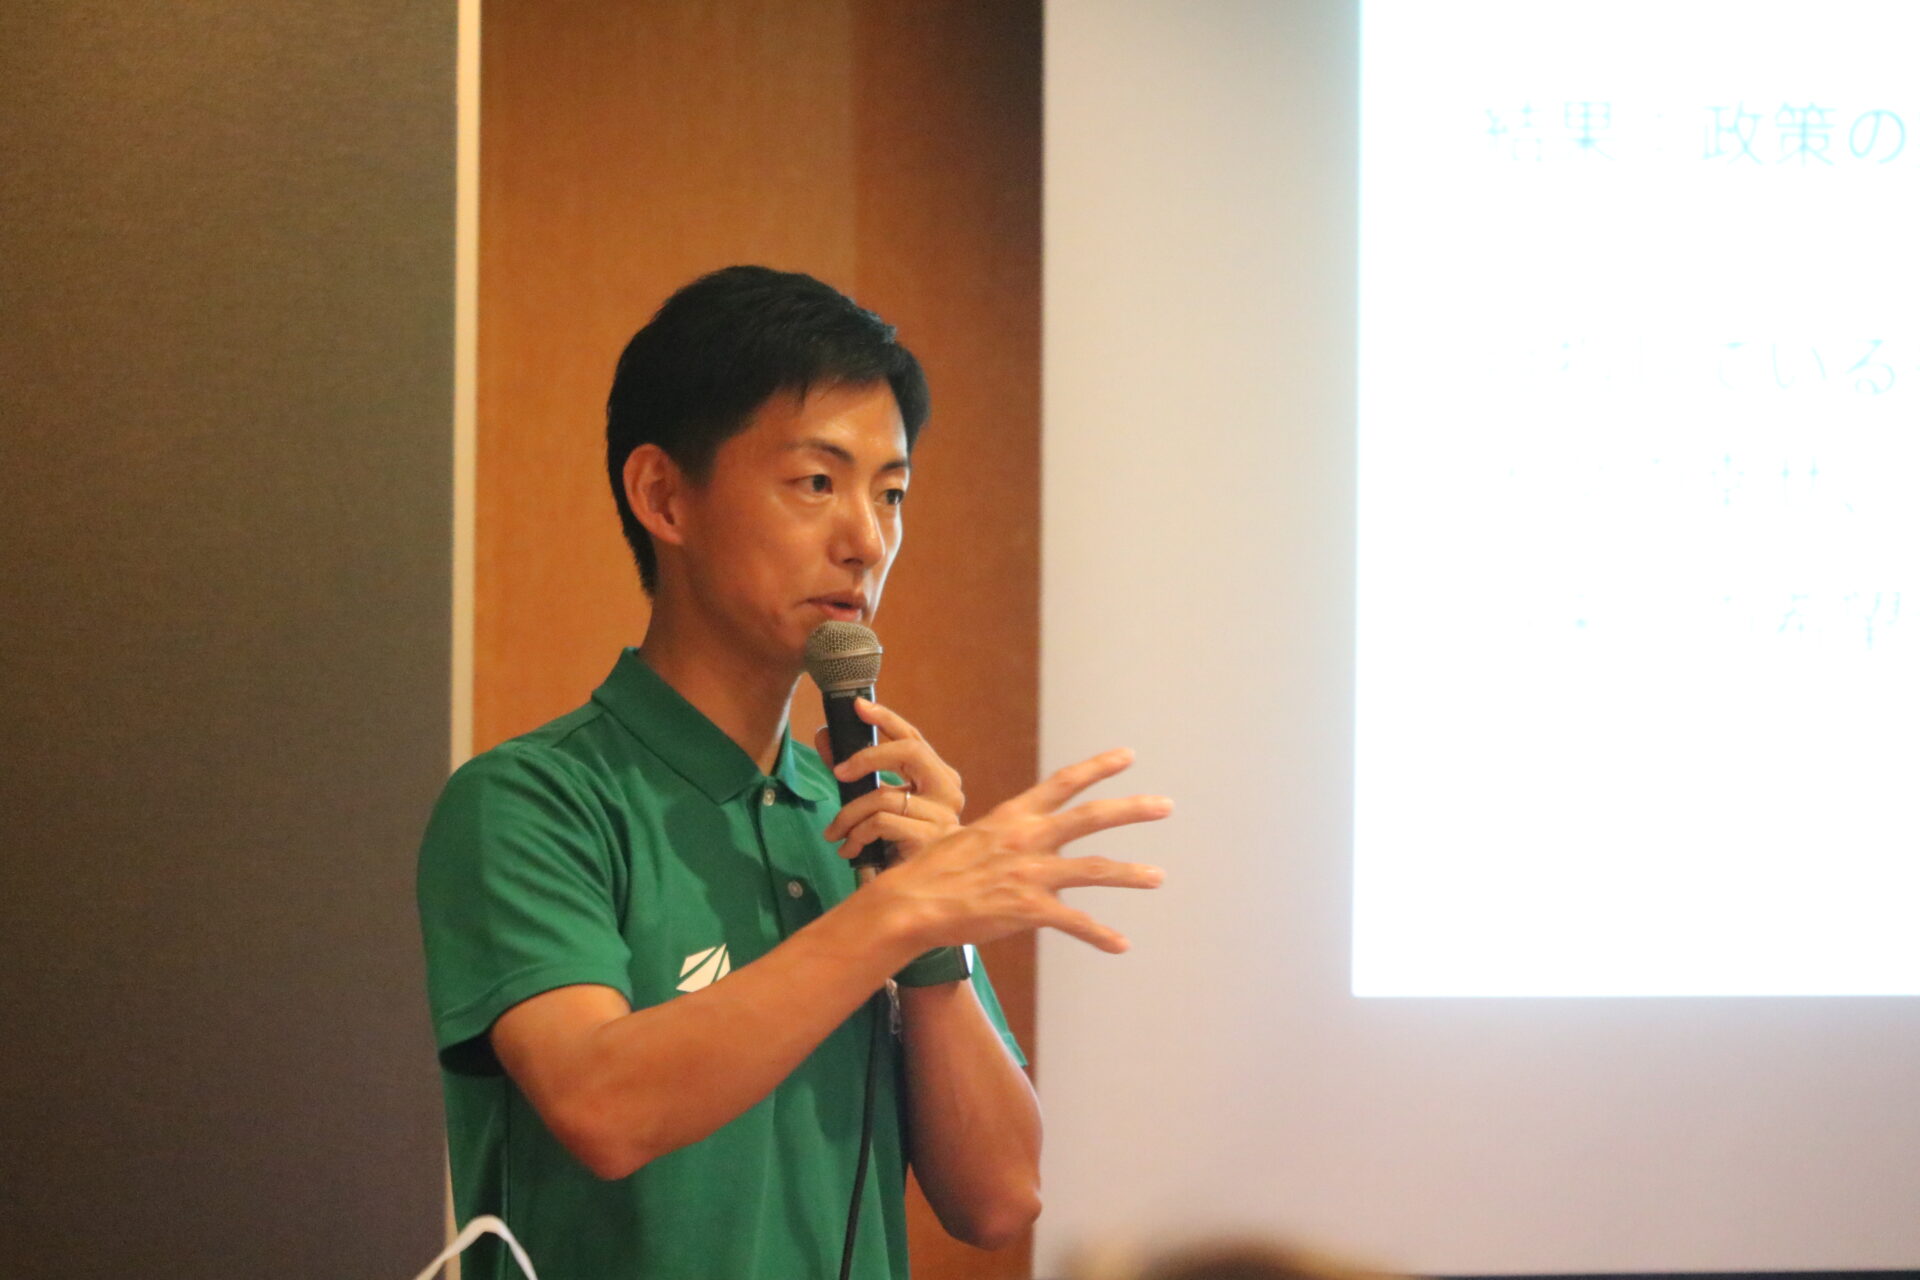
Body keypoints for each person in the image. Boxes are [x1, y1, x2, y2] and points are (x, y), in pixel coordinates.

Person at [417, 265, 1171, 1280]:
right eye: (818, 483)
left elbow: (999, 1196)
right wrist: (893, 918)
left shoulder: (864, 818)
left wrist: (929, 936)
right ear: (663, 496)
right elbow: (604, 1106)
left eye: (891, 492)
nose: (867, 539)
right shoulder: (532, 801)